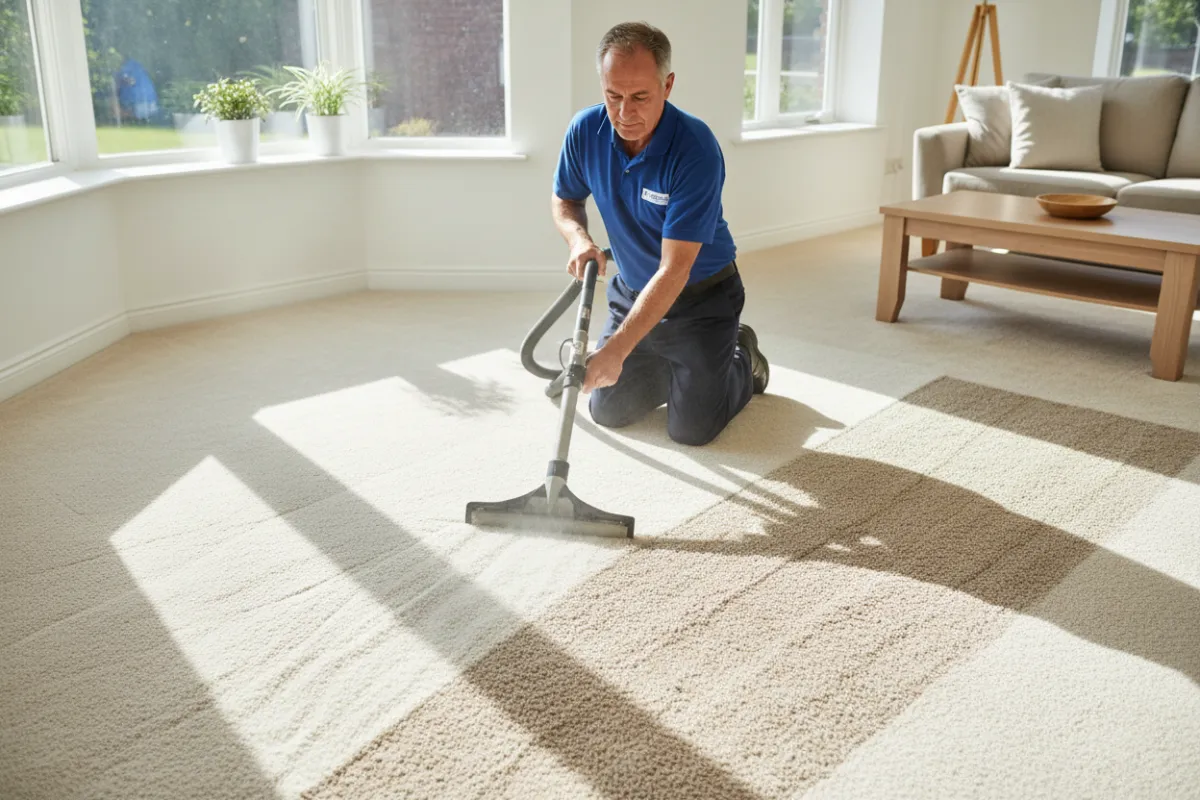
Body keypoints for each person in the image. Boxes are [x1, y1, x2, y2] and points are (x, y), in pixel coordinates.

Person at [550, 21, 769, 447]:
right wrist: (579, 239)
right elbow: (564, 201)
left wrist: (616, 351)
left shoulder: (696, 148)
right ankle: (679, 368)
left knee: (693, 430)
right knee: (608, 410)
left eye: (640, 97)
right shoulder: (585, 130)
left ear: (667, 86)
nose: (624, 113)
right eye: (613, 96)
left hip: (701, 299)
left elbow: (675, 269)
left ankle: (741, 355)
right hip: (632, 293)